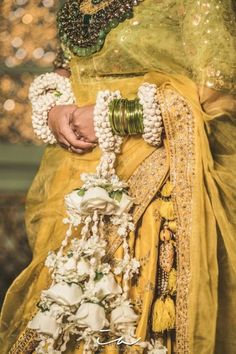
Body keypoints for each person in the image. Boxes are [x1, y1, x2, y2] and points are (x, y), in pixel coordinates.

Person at [0, 0, 235, 353]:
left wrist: (114, 116)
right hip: (75, 185)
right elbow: (67, 68)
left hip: (162, 188)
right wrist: (53, 110)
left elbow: (218, 95)